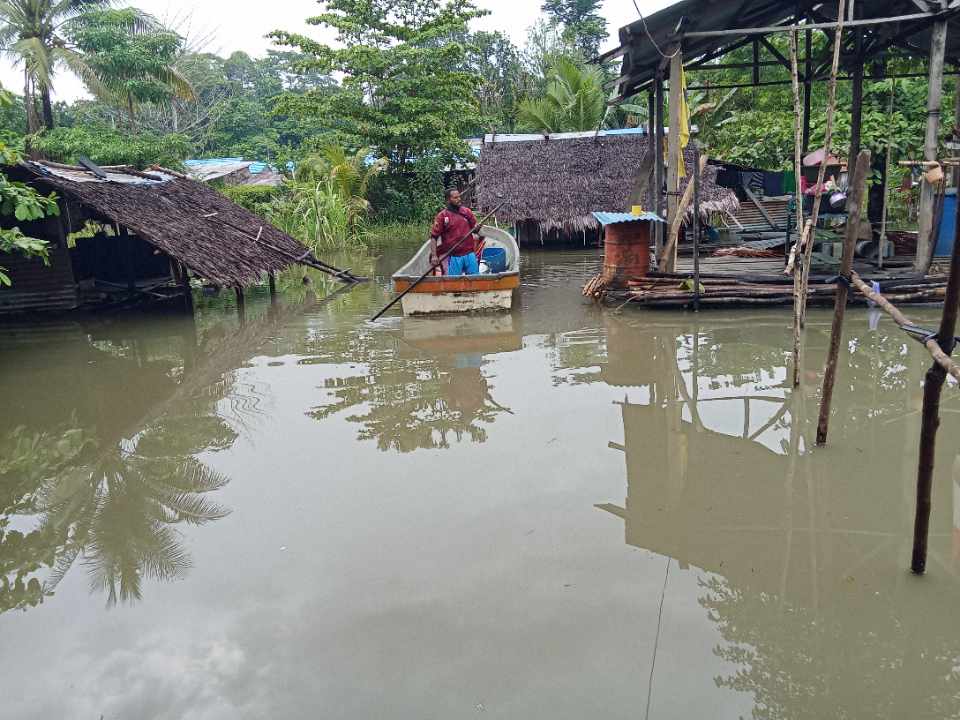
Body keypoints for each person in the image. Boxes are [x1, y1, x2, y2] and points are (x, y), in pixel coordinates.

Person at [429, 188, 479, 275]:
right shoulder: (442, 216)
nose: (459, 199)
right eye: (455, 198)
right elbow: (434, 237)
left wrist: (477, 227)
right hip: (454, 256)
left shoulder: (467, 212)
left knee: (475, 280)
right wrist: (434, 256)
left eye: (459, 197)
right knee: (453, 283)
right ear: (448, 200)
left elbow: (475, 230)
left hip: (469, 253)